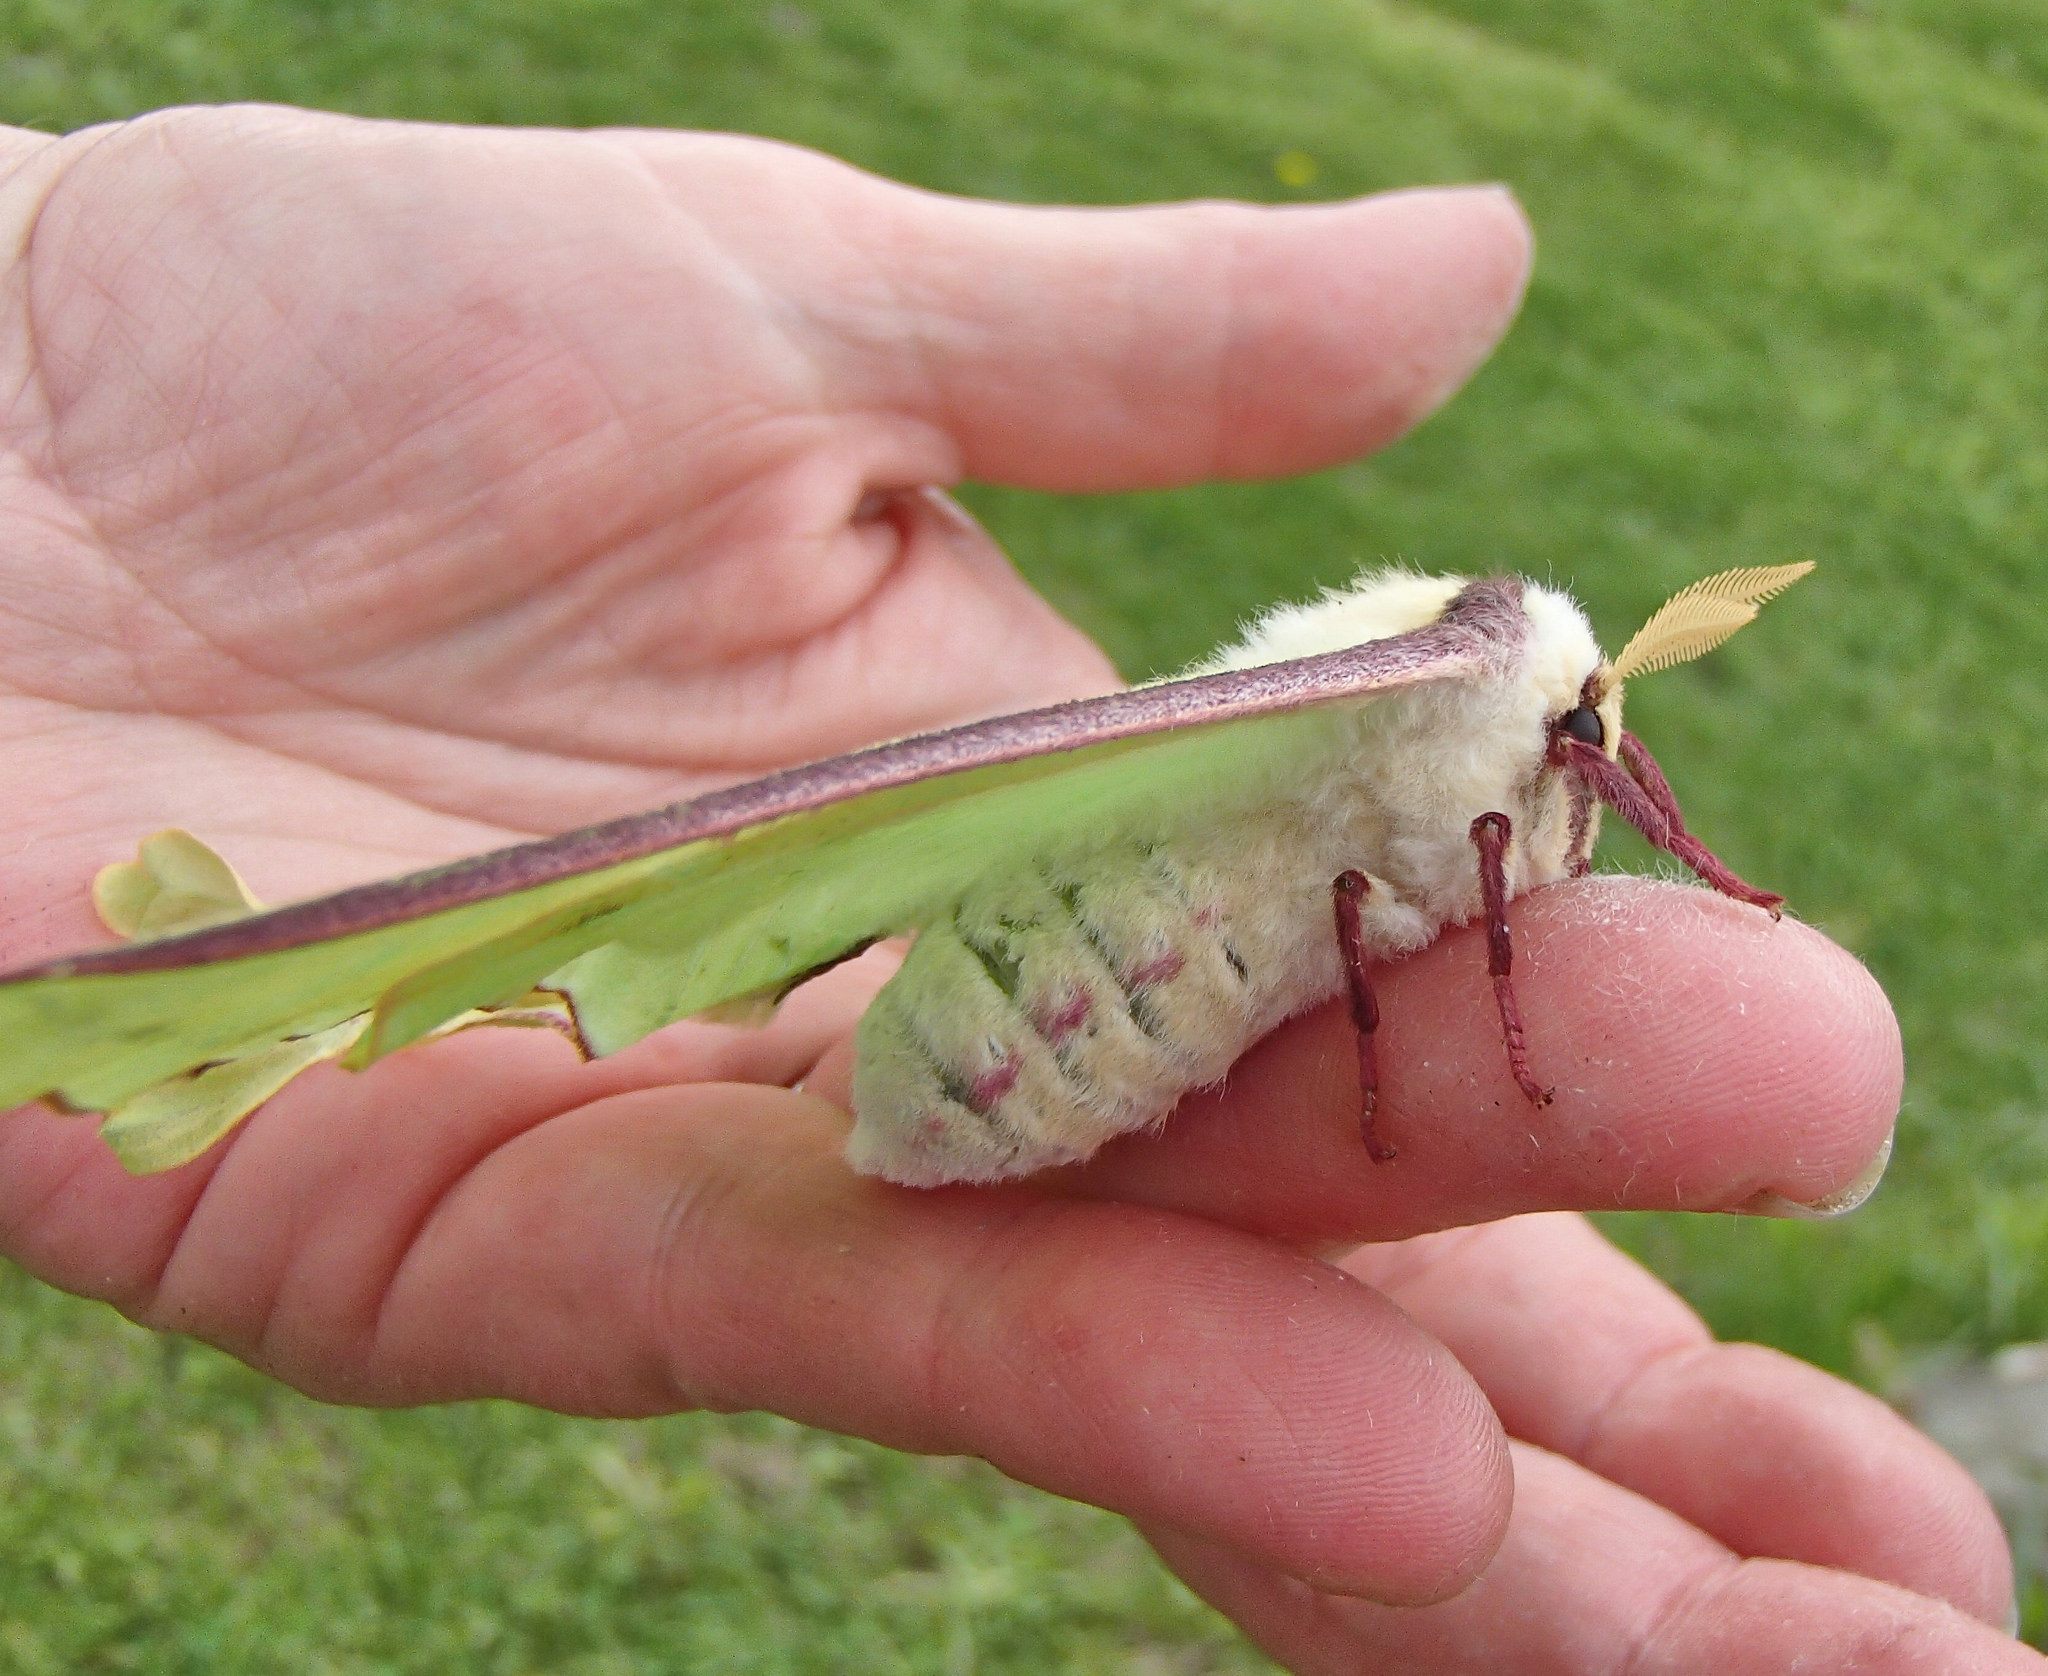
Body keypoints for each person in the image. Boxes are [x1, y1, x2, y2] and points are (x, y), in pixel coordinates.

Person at [0, 105, 2030, 1671]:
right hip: (1015, 1022)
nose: (1593, 774)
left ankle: (273, 996)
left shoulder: (1483, 731)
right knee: (635, 895)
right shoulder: (1460, 720)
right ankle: (293, 987)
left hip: (1085, 989)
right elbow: (1467, 876)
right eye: (1592, 745)